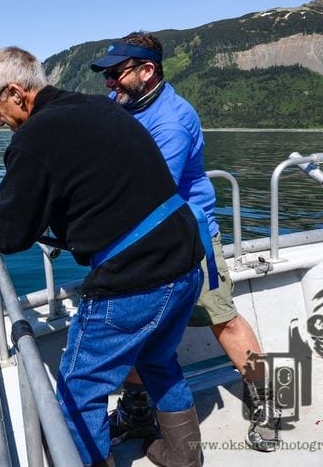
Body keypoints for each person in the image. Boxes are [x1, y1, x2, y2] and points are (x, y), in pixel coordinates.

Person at [0, 46, 207, 467]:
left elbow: (10, 233)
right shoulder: (95, 107)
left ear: (16, 93)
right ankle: (183, 455)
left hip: (136, 276)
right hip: (185, 257)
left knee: (78, 386)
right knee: (158, 359)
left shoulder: (34, 139)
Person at [90, 32, 279, 452]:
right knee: (137, 331)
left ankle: (267, 403)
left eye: (115, 74)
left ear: (147, 70)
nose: (108, 84)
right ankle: (138, 413)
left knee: (223, 319)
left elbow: (152, 189)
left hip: (190, 239)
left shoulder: (173, 119)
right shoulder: (120, 104)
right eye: (106, 75)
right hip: (140, 242)